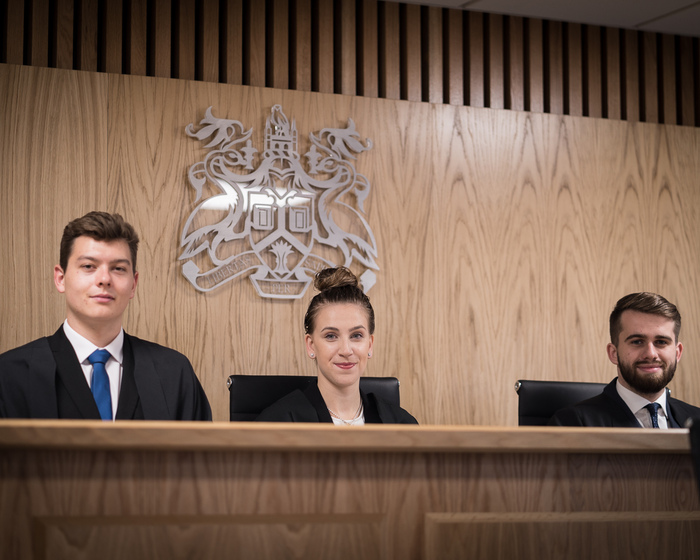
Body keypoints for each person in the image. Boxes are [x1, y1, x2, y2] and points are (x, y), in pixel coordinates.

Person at [0, 211, 212, 421]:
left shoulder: (174, 373)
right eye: (88, 266)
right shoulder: (10, 374)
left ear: (133, 285)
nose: (104, 279)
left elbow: (201, 455)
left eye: (118, 268)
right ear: (61, 278)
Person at [256, 267, 417, 424]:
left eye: (356, 336)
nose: (346, 350)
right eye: (331, 336)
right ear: (311, 345)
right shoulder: (276, 423)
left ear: (370, 345)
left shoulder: (401, 425)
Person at [549, 292, 700, 428]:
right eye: (637, 341)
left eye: (661, 342)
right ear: (613, 353)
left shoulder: (696, 420)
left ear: (677, 353)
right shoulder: (572, 424)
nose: (651, 354)